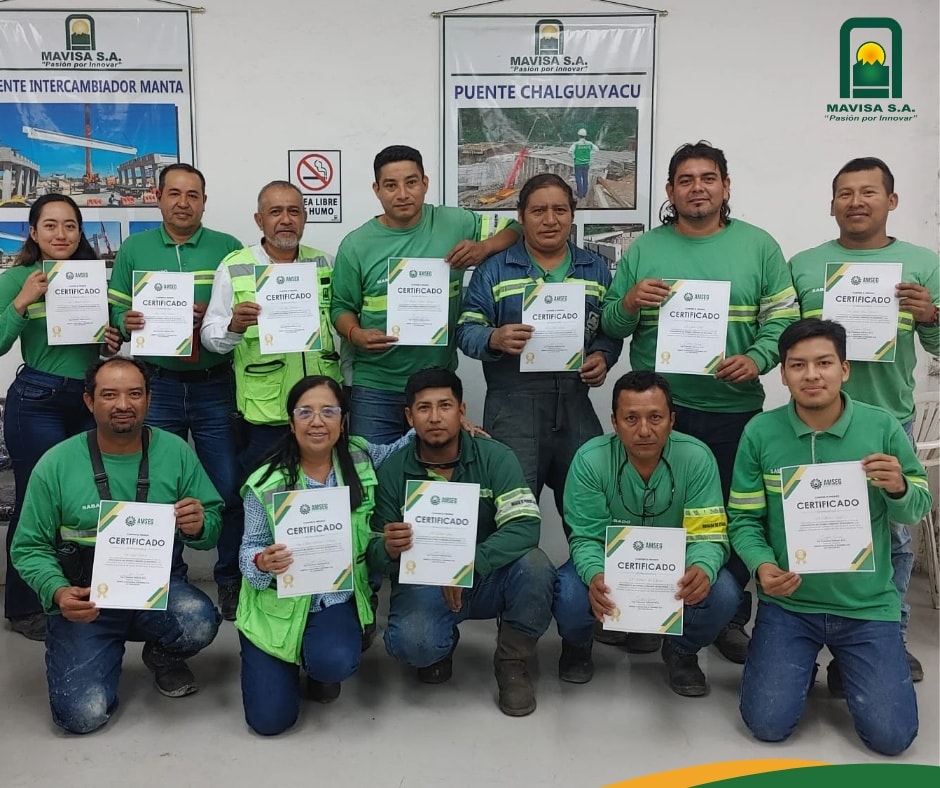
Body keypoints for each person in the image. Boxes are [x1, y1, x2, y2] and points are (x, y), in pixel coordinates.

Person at [601, 141, 800, 663]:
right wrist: (629, 301)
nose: (697, 188)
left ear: (725, 186)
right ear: (669, 191)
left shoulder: (759, 246)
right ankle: (645, 610)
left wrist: (757, 357)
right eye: (685, 180)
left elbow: (783, 319)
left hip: (733, 410)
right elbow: (612, 326)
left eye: (708, 178)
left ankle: (727, 617)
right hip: (659, 414)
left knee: (733, 515)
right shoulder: (644, 249)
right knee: (653, 512)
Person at [728, 319, 931, 756]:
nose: (812, 375)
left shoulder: (882, 427)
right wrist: (763, 565)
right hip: (791, 606)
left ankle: (850, 662)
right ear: (783, 375)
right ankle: (800, 664)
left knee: (892, 738)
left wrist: (899, 487)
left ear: (845, 369)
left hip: (866, 607)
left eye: (824, 363)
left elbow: (916, 507)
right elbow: (743, 519)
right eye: (797, 365)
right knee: (767, 724)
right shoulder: (760, 432)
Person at [10, 357, 223, 734]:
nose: (123, 404)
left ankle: (162, 655)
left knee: (198, 620)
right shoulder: (56, 464)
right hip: (86, 600)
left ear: (149, 400)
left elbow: (213, 521)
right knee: (82, 716)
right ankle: (90, 646)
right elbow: (28, 546)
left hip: (156, 590)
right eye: (109, 395)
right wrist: (58, 592)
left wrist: (200, 524)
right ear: (89, 401)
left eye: (134, 394)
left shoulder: (175, 452)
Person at [789, 157, 939, 686]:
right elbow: (784, 341)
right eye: (845, 193)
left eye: (869, 192)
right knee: (813, 525)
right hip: (810, 424)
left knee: (894, 541)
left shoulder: (922, 264)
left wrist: (931, 317)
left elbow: (939, 346)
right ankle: (804, 636)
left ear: (891, 201)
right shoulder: (804, 265)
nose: (856, 202)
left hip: (887, 422)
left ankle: (889, 636)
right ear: (831, 204)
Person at [368, 368, 555, 716]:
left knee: (536, 566)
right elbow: (372, 552)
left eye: (445, 406)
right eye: (424, 408)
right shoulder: (392, 471)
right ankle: (442, 642)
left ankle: (512, 662)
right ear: (409, 417)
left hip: (487, 574)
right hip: (425, 582)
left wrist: (472, 563)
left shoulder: (496, 457)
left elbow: (526, 526)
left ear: (462, 410)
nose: (435, 417)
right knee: (414, 645)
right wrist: (387, 548)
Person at [236, 375, 414, 735]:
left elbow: (401, 448)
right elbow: (248, 550)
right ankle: (280, 665)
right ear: (291, 423)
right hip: (276, 609)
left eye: (328, 412)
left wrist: (440, 426)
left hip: (332, 599)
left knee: (333, 661)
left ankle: (318, 664)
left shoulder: (360, 455)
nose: (317, 422)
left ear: (342, 421)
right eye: (305, 412)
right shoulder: (265, 481)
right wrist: (262, 562)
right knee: (269, 722)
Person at [108, 163, 244, 620]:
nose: (183, 203)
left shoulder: (227, 248)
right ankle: (168, 581)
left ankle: (231, 580)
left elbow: (238, 314)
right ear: (158, 198)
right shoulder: (135, 248)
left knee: (226, 487)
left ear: (204, 201)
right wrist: (125, 321)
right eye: (174, 194)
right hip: (157, 385)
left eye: (193, 195)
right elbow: (114, 309)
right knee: (154, 486)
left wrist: (214, 314)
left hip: (215, 384)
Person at [553, 371, 740, 696]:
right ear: (614, 422)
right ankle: (578, 645)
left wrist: (703, 567)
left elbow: (708, 536)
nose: (644, 430)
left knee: (724, 593)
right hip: (608, 567)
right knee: (567, 591)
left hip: (674, 571)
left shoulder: (697, 458)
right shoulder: (589, 460)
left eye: (655, 417)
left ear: (672, 420)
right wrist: (595, 574)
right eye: (631, 418)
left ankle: (681, 652)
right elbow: (585, 537)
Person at [457, 172, 621, 536]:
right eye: (538, 211)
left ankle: (586, 575)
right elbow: (466, 330)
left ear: (572, 214)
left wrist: (603, 357)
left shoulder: (594, 269)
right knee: (511, 520)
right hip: (512, 407)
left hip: (576, 405)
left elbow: (609, 329)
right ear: (521, 215)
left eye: (560, 210)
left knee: (591, 517)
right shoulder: (494, 270)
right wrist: (494, 338)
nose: (550, 220)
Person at [331, 145, 521, 443]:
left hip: (436, 385)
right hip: (376, 386)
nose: (402, 194)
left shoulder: (457, 223)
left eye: (411, 182)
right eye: (391, 185)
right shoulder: (356, 245)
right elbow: (340, 307)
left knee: (435, 470)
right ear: (377, 190)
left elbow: (516, 228)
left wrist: (483, 248)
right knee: (371, 469)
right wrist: (355, 334)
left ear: (425, 183)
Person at [0, 194, 121, 640]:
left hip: (88, 400)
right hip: (38, 400)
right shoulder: (17, 278)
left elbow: (98, 344)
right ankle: (24, 607)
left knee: (88, 499)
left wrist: (110, 341)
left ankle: (84, 593)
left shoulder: (93, 278)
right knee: (36, 501)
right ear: (33, 232)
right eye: (50, 225)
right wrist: (22, 302)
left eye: (70, 225)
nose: (61, 234)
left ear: (79, 231)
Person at [201, 181, 343, 477]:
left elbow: (341, 325)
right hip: (266, 414)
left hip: (321, 411)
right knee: (264, 493)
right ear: (259, 220)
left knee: (321, 490)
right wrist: (233, 326)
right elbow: (209, 336)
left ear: (305, 217)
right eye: (276, 212)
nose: (286, 220)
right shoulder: (235, 266)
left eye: (294, 211)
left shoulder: (326, 263)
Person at [568, 128, 599, 201]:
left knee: (578, 178)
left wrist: (574, 157)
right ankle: (584, 193)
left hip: (578, 163)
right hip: (586, 163)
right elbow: (597, 150)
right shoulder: (589, 143)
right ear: (585, 136)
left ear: (578, 135)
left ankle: (580, 194)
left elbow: (569, 152)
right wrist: (590, 154)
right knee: (585, 178)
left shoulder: (576, 144)